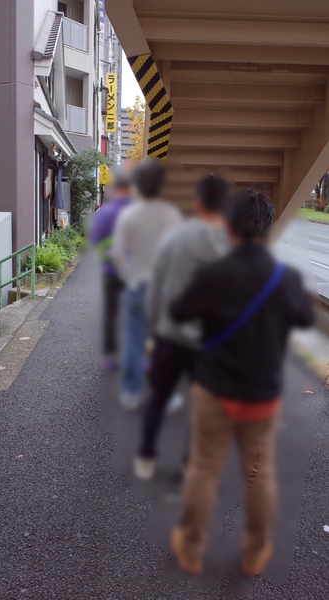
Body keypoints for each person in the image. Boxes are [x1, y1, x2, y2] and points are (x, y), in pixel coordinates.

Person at [169, 189, 315, 576]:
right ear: (267, 226)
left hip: (214, 388)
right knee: (259, 473)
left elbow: (180, 312)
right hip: (262, 393)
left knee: (203, 468)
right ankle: (254, 550)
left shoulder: (212, 274)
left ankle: (193, 546)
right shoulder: (284, 278)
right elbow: (303, 320)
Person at [134, 174, 230, 480]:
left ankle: (146, 457)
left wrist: (151, 330)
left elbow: (155, 288)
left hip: (170, 337)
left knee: (159, 398)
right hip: (209, 344)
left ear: (197, 202)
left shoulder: (173, 238)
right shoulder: (231, 246)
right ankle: (190, 463)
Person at [112, 158, 182, 409]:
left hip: (137, 284)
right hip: (163, 288)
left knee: (133, 340)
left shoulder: (129, 215)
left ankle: (131, 392)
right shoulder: (171, 214)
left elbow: (119, 253)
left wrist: (129, 276)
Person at [89, 167, 132, 369]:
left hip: (111, 270)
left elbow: (96, 240)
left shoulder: (104, 213)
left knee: (111, 312)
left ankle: (112, 356)